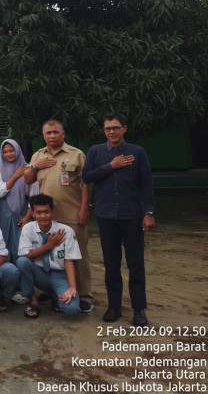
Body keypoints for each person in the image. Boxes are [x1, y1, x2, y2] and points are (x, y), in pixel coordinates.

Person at [83, 113, 155, 327]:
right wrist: (111, 166)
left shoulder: (137, 152)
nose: (111, 132)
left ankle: (139, 309)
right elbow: (86, 177)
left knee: (136, 265)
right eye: (107, 129)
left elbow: (147, 183)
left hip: (132, 216)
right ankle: (114, 306)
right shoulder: (96, 152)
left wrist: (149, 212)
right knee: (111, 264)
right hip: (106, 217)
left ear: (124, 128)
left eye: (115, 128)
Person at [24, 119, 93, 313]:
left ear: (63, 133)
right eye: (48, 133)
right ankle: (54, 292)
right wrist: (36, 166)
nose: (52, 136)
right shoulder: (38, 155)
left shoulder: (76, 154)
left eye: (55, 132)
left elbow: (86, 184)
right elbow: (28, 180)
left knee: (78, 258)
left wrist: (84, 209)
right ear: (43, 135)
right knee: (48, 253)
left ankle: (84, 295)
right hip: (46, 219)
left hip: (72, 215)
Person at [17, 194, 81, 318]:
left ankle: (55, 297)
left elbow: (69, 261)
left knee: (72, 309)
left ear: (53, 212)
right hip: (39, 273)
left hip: (60, 275)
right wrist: (49, 245)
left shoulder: (66, 231)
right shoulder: (28, 229)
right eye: (38, 212)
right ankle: (34, 301)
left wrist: (72, 288)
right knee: (22, 262)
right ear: (33, 214)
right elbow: (26, 255)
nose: (43, 216)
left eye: (46, 212)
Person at [0, 139, 28, 264]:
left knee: (21, 244)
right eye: (5, 152)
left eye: (11, 150)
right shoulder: (0, 171)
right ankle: (7, 273)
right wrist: (15, 176)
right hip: (5, 210)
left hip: (23, 210)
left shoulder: (28, 169)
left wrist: (28, 215)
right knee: (4, 241)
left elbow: (32, 193)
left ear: (17, 151)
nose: (8, 154)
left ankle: (21, 274)